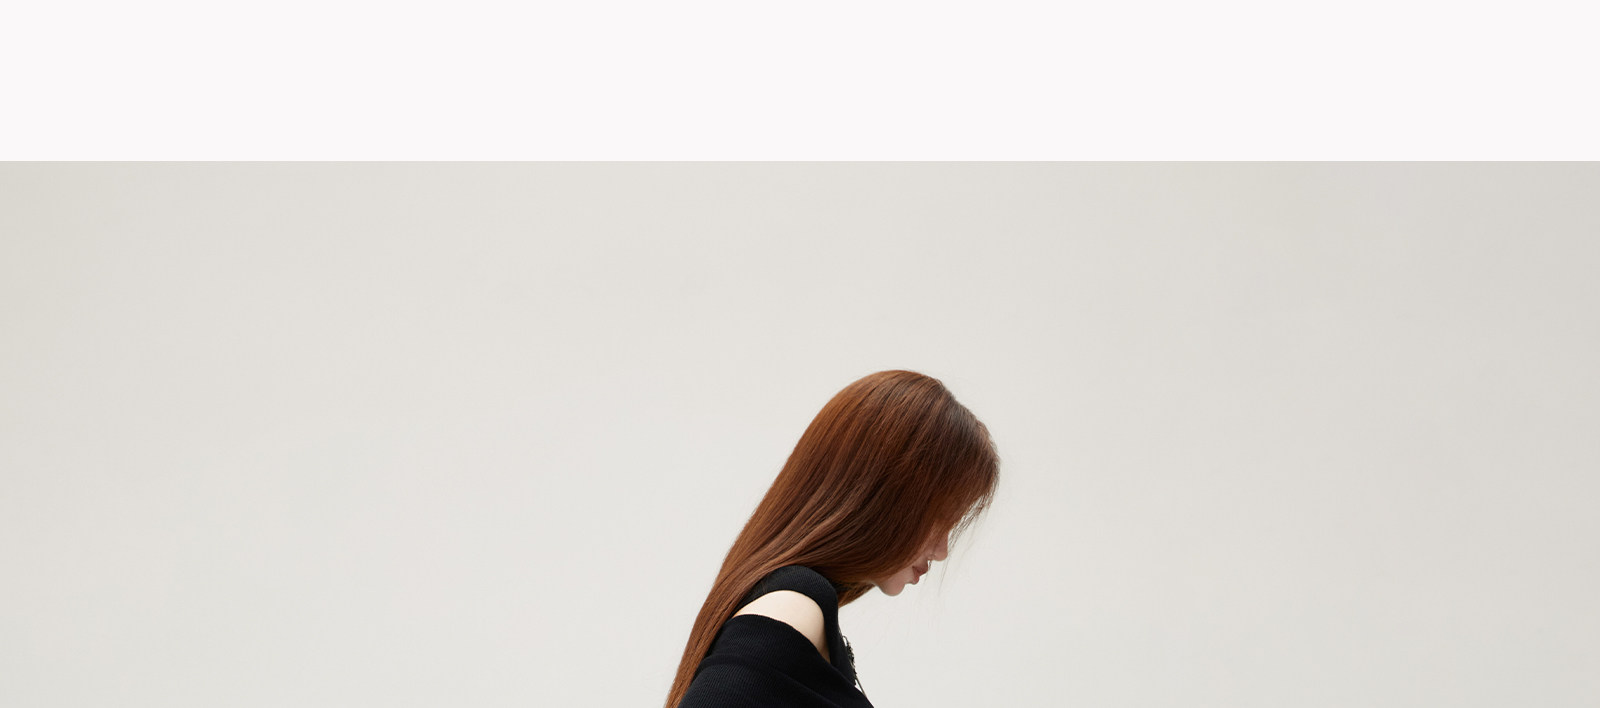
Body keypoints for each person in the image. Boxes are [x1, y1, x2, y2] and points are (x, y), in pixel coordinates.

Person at [663, 370, 1002, 708]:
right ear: (882, 496)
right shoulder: (794, 607)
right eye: (940, 518)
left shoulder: (798, 608)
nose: (942, 550)